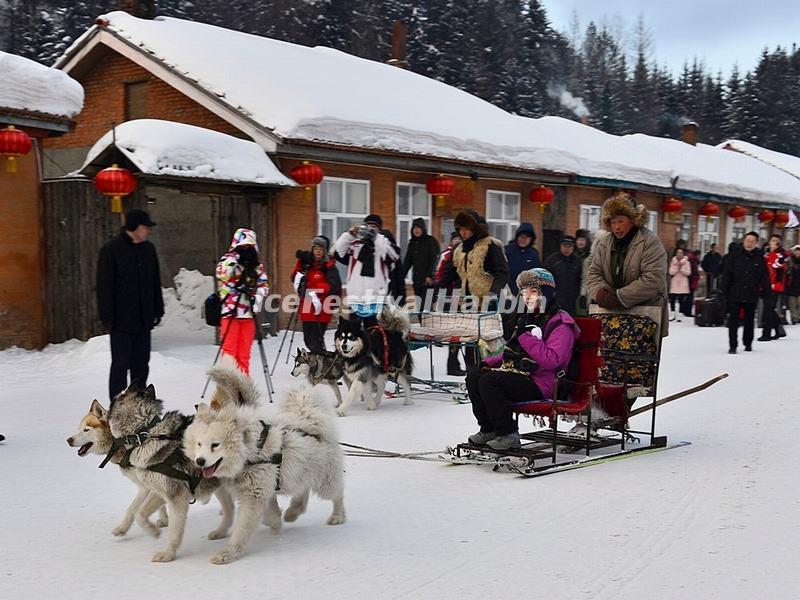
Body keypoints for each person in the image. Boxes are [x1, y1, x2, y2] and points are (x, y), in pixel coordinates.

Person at [465, 268, 579, 450]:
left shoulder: (561, 323)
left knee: (490, 381)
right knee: (475, 376)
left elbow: (552, 360)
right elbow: (512, 350)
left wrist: (527, 338)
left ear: (546, 294)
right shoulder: (527, 319)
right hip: (522, 374)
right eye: (524, 292)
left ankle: (507, 433)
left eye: (534, 291)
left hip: (547, 383)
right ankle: (489, 429)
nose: (528, 297)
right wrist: (490, 362)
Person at [96, 208, 165, 401]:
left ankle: (138, 403)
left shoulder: (148, 249)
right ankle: (117, 407)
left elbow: (154, 282)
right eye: (145, 227)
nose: (148, 231)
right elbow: (104, 287)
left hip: (143, 320)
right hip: (121, 322)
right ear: (133, 227)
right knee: (120, 365)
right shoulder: (111, 250)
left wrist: (158, 309)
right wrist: (107, 318)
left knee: (141, 364)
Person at [585, 192, 668, 335]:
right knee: (610, 356)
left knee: (637, 356)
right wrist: (600, 293)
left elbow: (653, 278)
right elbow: (594, 272)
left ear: (633, 220)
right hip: (610, 315)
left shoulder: (650, 242)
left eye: (621, 221)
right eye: (613, 222)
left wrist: (620, 297)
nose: (617, 227)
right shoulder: (604, 243)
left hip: (646, 315)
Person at [216, 228, 270, 374]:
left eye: (250, 247)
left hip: (248, 315)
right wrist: (237, 258)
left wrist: (258, 299)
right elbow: (222, 273)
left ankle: (243, 387)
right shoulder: (227, 260)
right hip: (230, 314)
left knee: (244, 355)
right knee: (229, 354)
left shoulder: (256, 266)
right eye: (244, 247)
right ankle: (227, 388)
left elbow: (263, 284)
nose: (247, 250)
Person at [333, 214, 399, 319]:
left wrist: (376, 238)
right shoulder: (355, 244)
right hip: (356, 295)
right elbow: (338, 251)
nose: (370, 229)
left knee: (374, 331)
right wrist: (349, 233)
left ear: (379, 229)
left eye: (374, 226)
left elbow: (394, 256)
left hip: (376, 297)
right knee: (354, 331)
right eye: (368, 226)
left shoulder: (382, 243)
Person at [720, 231, 769, 353]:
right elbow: (727, 275)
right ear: (743, 241)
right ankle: (733, 345)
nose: (749, 244)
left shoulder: (760, 258)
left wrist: (767, 292)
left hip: (751, 293)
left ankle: (748, 343)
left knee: (749, 321)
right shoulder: (734, 256)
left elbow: (764, 277)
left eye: (752, 242)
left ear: (756, 243)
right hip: (734, 293)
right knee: (733, 321)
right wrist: (723, 291)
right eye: (747, 241)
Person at [291, 235, 341, 353]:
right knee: (308, 340)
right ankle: (320, 363)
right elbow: (294, 278)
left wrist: (313, 289)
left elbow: (332, 286)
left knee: (316, 341)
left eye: (321, 248)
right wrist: (300, 263)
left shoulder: (329, 267)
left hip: (322, 307)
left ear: (325, 251)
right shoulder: (309, 265)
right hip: (308, 304)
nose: (318, 251)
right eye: (315, 248)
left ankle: (323, 364)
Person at [434, 230, 465, 376]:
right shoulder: (447, 255)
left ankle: (455, 362)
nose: (458, 241)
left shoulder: (466, 254)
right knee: (455, 332)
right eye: (455, 239)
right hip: (451, 296)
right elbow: (440, 276)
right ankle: (452, 364)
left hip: (464, 297)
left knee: (463, 332)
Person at [402, 217, 440, 310]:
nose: (416, 230)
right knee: (419, 308)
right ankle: (423, 324)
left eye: (419, 228)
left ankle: (428, 324)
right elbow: (408, 261)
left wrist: (430, 275)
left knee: (426, 307)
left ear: (423, 229)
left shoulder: (431, 241)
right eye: (414, 228)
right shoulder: (412, 243)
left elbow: (435, 260)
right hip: (417, 281)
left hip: (429, 282)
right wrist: (400, 276)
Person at [760, 234, 790, 341]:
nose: (773, 243)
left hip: (775, 286)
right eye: (772, 240)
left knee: (768, 309)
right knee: (770, 309)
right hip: (765, 285)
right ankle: (779, 329)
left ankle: (766, 333)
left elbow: (780, 268)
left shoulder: (780, 255)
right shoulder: (766, 253)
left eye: (776, 241)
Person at [543, 234, 582, 316]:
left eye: (569, 246)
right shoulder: (552, 261)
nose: (567, 249)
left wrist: (576, 295)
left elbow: (580, 280)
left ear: (573, 247)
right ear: (560, 246)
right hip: (554, 302)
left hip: (571, 303)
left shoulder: (577, 262)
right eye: (564, 246)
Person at [504, 222, 541, 295]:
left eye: (526, 237)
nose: (523, 240)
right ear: (517, 237)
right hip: (506, 292)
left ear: (531, 239)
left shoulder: (533, 254)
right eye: (521, 237)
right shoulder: (507, 251)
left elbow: (536, 274)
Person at [668, 249, 692, 322]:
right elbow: (670, 272)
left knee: (681, 300)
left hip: (683, 282)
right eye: (678, 252)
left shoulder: (687, 262)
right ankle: (672, 315)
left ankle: (679, 316)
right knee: (672, 299)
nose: (679, 254)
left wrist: (682, 270)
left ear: (683, 254)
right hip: (675, 281)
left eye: (681, 253)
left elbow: (688, 272)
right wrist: (676, 269)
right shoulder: (673, 262)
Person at [574, 229, 592, 315]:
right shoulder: (572, 255)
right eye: (578, 239)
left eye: (583, 240)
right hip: (574, 288)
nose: (580, 242)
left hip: (585, 291)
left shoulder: (590, 257)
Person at [787, 245, 800, 325]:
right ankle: (794, 318)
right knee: (792, 303)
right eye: (796, 251)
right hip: (792, 284)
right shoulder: (790, 261)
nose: (798, 253)